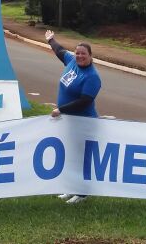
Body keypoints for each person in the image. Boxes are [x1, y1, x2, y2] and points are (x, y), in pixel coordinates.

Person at [45, 29, 102, 204]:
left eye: (83, 54)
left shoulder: (92, 77)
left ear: (90, 56)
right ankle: (71, 188)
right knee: (70, 155)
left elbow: (84, 101)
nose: (79, 56)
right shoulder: (71, 62)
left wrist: (61, 109)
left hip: (84, 123)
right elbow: (60, 51)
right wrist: (51, 40)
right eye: (77, 53)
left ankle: (82, 193)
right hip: (70, 121)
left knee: (82, 157)